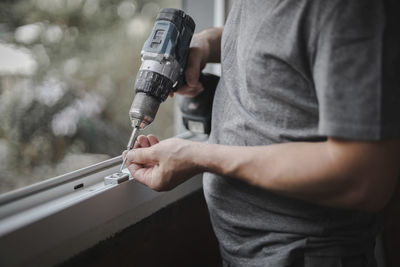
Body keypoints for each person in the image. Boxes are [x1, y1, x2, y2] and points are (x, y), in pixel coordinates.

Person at [123, 0, 400, 266]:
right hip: (245, 251)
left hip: (306, 254)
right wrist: (208, 43)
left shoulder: (351, 8)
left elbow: (365, 178)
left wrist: (198, 156)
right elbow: (281, 36)